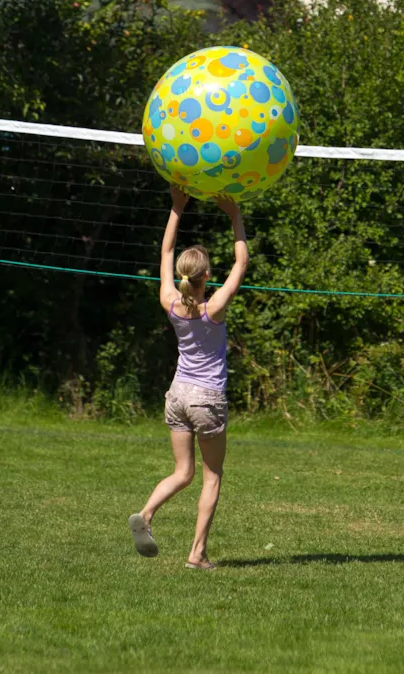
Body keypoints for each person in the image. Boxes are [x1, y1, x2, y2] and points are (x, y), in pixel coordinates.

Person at [128, 186, 248, 570]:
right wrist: (234, 215)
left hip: (177, 394)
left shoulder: (169, 302)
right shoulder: (215, 308)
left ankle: (147, 513)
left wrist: (176, 208)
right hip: (207, 399)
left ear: (182, 275)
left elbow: (165, 253)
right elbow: (241, 263)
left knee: (183, 473)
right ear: (206, 276)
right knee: (212, 476)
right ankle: (196, 555)